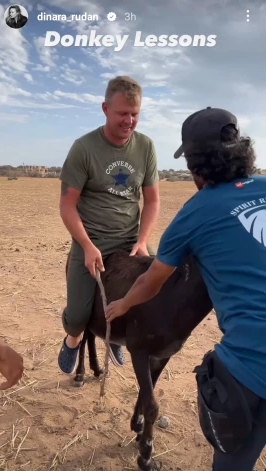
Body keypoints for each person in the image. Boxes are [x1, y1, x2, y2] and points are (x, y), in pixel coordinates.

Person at [105, 107, 266, 471]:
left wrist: (122, 304)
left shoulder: (195, 213)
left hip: (251, 365)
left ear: (194, 167)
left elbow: (151, 281)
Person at [58, 76, 160, 375]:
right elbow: (67, 205)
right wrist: (87, 246)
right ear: (105, 109)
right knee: (77, 315)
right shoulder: (84, 148)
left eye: (135, 114)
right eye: (122, 113)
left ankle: (114, 337)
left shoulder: (146, 147)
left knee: (157, 291)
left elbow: (152, 201)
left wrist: (142, 241)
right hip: (91, 241)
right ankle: (73, 339)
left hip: (131, 239)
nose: (129, 121)